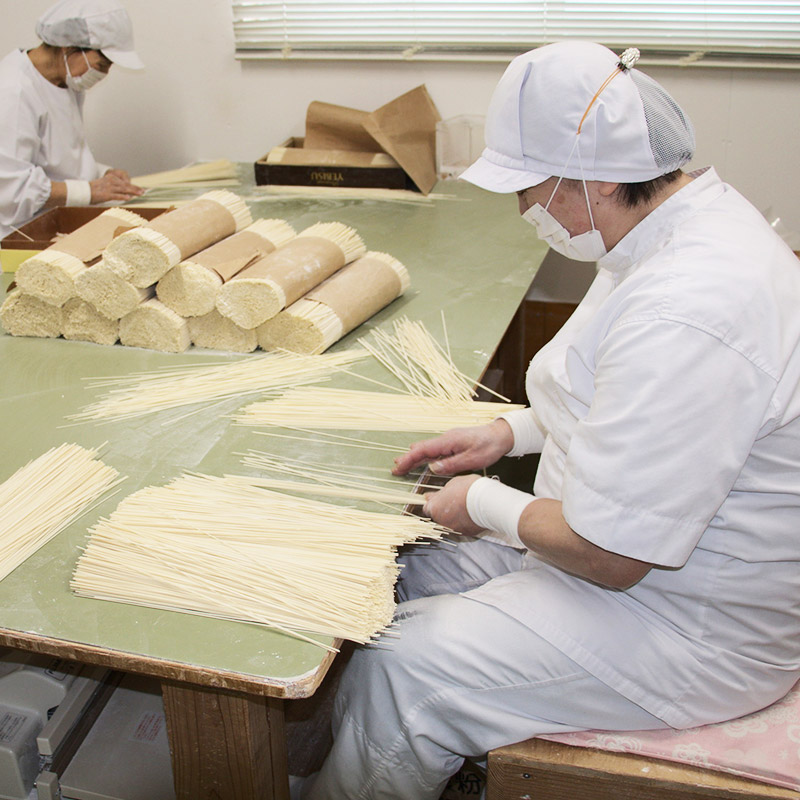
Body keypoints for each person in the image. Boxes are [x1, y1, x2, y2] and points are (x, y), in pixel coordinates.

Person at [302, 41, 800, 800]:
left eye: (529, 189)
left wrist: (483, 501)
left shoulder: (692, 305)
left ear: (595, 177)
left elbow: (614, 555)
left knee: (406, 666)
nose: (527, 209)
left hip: (688, 624)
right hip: (625, 551)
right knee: (404, 568)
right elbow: (624, 398)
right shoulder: (662, 232)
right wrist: (513, 434)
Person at [0, 0, 145, 239]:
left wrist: (103, 174)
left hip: (56, 225)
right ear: (69, 48)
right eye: (101, 65)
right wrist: (90, 191)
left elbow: (58, 158)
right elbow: (12, 189)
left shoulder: (65, 83)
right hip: (19, 237)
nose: (103, 75)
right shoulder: (13, 92)